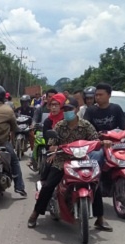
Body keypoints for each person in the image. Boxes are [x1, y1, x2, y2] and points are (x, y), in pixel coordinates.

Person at [27, 98, 113, 232]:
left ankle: (100, 218)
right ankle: (35, 214)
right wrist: (53, 147)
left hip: (82, 160)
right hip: (62, 160)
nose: (67, 112)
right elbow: (51, 142)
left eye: (70, 109)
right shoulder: (60, 125)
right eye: (65, 109)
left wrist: (103, 143)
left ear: (77, 109)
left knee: (94, 184)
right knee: (48, 185)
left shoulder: (86, 125)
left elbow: (95, 140)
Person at [84, 82, 125, 166]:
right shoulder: (90, 111)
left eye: (101, 95)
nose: (98, 97)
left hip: (115, 143)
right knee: (97, 155)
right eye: (96, 95)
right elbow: (84, 128)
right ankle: (96, 178)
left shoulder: (116, 108)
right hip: (98, 143)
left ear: (109, 95)